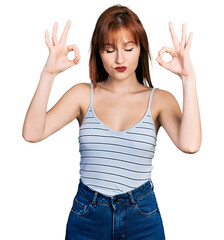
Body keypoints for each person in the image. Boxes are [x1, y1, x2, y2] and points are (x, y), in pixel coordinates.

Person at [22, 4, 201, 240]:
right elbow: (32, 133)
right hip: (87, 216)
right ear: (98, 51)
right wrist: (49, 73)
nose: (119, 58)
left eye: (128, 48)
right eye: (109, 49)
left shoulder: (159, 100)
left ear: (140, 49)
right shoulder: (82, 95)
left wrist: (188, 78)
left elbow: (190, 145)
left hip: (142, 217)